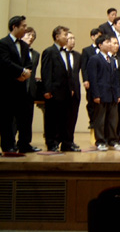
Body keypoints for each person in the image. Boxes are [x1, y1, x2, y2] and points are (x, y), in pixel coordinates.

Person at [0, 16, 36, 153]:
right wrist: (21, 72)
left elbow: (29, 63)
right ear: (14, 27)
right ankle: (8, 145)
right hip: (7, 87)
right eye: (23, 26)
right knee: (7, 118)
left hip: (22, 87)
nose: (25, 29)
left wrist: (26, 73)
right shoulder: (3, 43)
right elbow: (5, 62)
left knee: (24, 118)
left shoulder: (24, 45)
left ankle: (24, 144)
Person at [41, 26, 77, 152]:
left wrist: (71, 88)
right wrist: (47, 90)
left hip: (65, 92)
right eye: (65, 35)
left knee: (65, 119)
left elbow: (69, 73)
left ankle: (66, 143)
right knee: (52, 119)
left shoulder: (66, 53)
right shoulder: (49, 52)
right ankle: (52, 143)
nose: (67, 37)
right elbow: (46, 72)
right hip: (54, 92)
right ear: (57, 37)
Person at [87, 35, 120, 151]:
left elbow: (116, 79)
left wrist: (118, 94)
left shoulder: (112, 60)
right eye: (107, 42)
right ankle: (100, 141)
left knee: (113, 119)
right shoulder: (94, 59)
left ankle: (112, 140)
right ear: (100, 45)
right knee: (100, 120)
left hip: (112, 94)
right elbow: (93, 79)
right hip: (101, 94)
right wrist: (95, 95)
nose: (110, 44)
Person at [80, 28, 102, 128]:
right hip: (91, 81)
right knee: (91, 101)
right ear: (92, 37)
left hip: (101, 80)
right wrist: (85, 79)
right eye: (98, 36)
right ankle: (92, 121)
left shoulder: (104, 50)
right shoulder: (87, 50)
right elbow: (83, 67)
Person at [65, 31, 82, 148]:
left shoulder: (78, 56)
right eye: (70, 38)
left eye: (74, 38)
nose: (72, 41)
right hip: (63, 90)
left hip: (75, 90)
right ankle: (56, 141)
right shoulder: (59, 54)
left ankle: (69, 141)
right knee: (62, 118)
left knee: (72, 117)